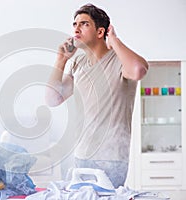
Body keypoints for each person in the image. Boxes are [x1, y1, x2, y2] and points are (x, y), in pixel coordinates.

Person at [45, 3, 148, 188]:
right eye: (74, 24)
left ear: (101, 32)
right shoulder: (78, 63)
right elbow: (52, 100)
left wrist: (114, 40)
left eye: (84, 24)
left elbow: (139, 70)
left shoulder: (120, 61)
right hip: (81, 154)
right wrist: (61, 60)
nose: (76, 28)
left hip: (111, 158)